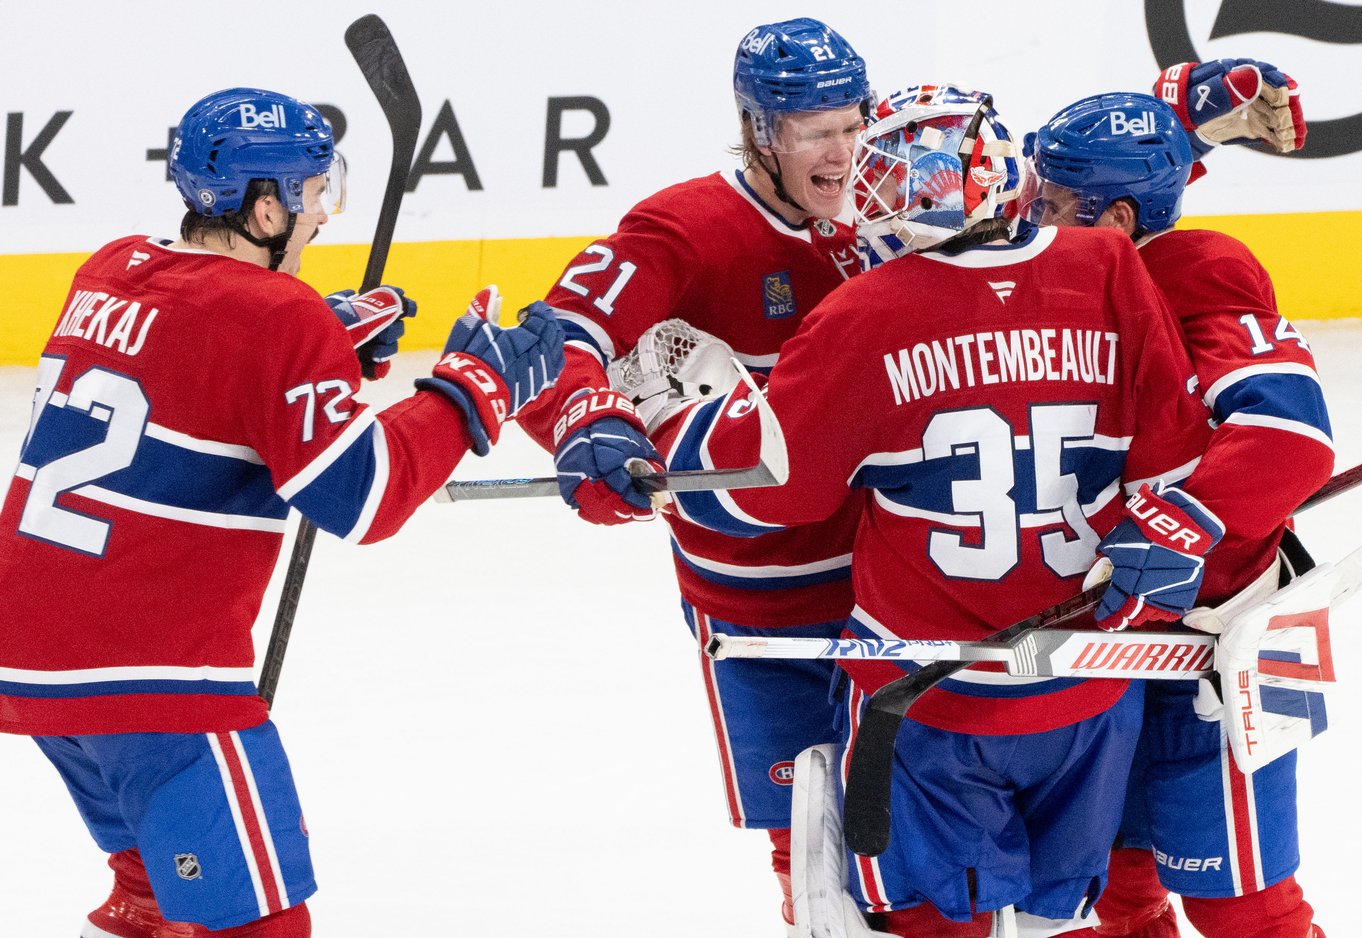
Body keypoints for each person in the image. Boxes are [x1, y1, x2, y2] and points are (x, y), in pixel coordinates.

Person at [633, 87, 1250, 936]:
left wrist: (679, 418)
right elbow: (1172, 467)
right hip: (1092, 693)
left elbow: (775, 496)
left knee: (932, 918)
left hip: (930, 701)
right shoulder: (1109, 268)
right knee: (1062, 919)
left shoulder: (863, 313)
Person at [0, 87, 563, 938]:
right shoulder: (272, 317)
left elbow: (189, 361)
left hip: (31, 659)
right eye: (309, 193)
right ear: (265, 207)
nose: (320, 215)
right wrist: (470, 390)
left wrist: (322, 349)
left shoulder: (110, 267)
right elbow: (364, 496)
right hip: (155, 677)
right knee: (261, 922)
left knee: (156, 889)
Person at [512, 18, 873, 928]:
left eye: (853, 122)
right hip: (760, 591)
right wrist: (582, 420)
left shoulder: (894, 202)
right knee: (804, 837)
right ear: (760, 130)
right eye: (813, 130)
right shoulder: (686, 229)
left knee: (922, 821)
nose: (843, 153)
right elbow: (546, 345)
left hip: (899, 576)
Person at [1022, 77, 1331, 938]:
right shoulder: (1069, 260)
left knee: (1249, 908)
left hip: (1229, 633)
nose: (1026, 212)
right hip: (1106, 635)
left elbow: (1290, 436)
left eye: (1050, 201)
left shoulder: (1200, 275)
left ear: (1115, 222)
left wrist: (1181, 520)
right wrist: (1179, 108)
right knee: (1110, 891)